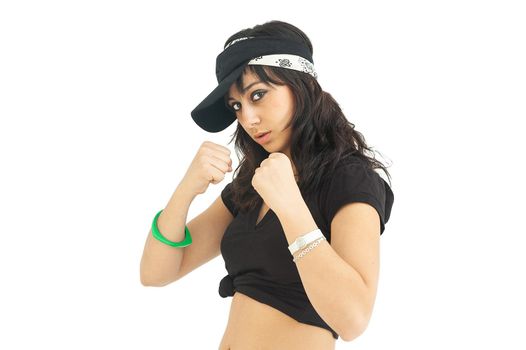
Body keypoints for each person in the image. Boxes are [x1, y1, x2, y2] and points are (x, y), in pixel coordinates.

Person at [140, 20, 394, 348]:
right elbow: (156, 272)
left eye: (257, 95)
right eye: (237, 107)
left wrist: (290, 207)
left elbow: (353, 319)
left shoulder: (349, 177)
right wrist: (186, 189)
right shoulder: (251, 185)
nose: (248, 119)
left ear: (299, 84)